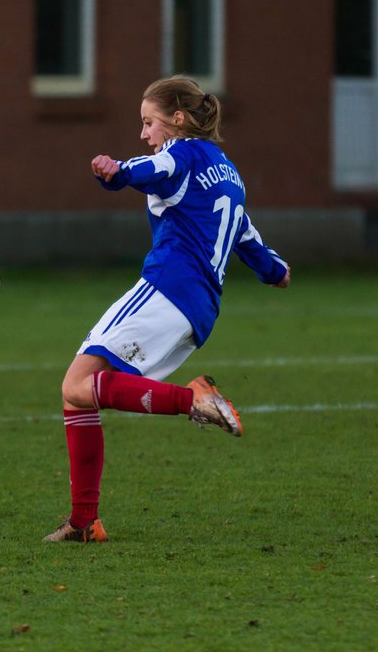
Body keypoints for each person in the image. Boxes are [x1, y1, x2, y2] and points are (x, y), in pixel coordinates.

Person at [44, 75, 290, 543]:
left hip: (166, 289)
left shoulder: (181, 152)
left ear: (177, 120)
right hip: (199, 310)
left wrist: (116, 170)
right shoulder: (228, 171)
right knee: (76, 391)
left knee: (76, 384)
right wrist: (275, 270)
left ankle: (194, 399)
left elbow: (150, 169)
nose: (144, 133)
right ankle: (83, 522)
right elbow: (247, 237)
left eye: (148, 122)